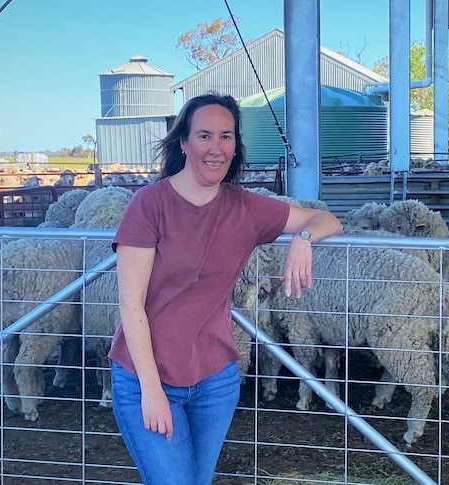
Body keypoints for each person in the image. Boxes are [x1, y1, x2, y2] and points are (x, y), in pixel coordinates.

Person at [108, 91, 343, 485]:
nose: (215, 148)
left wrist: (303, 238)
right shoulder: (149, 204)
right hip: (146, 376)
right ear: (183, 143)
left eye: (226, 136)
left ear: (236, 146)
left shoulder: (246, 207)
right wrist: (151, 389)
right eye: (204, 136)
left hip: (214, 379)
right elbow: (131, 305)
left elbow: (327, 218)